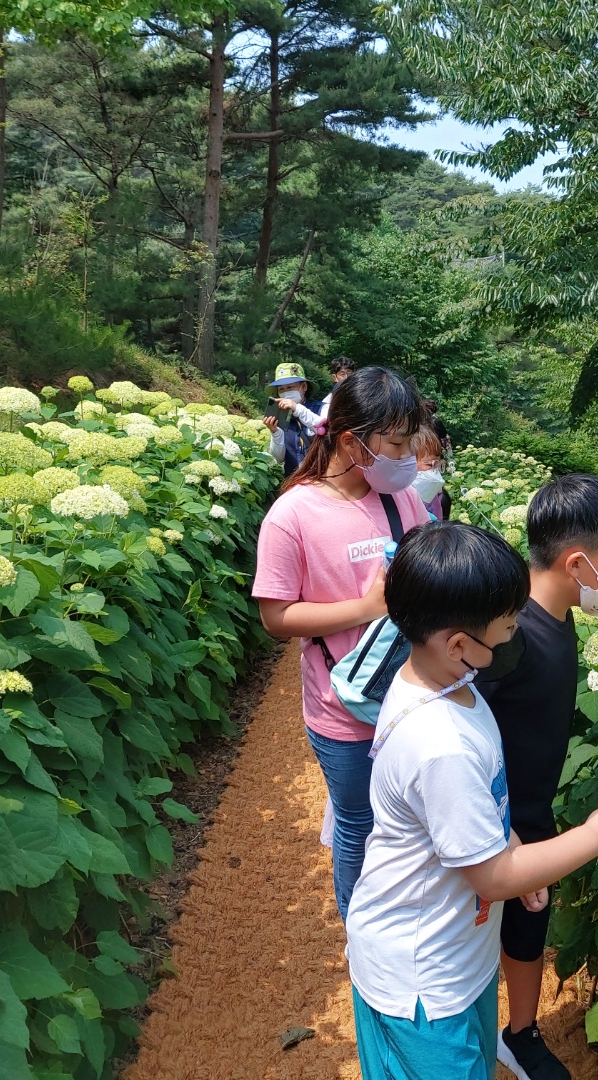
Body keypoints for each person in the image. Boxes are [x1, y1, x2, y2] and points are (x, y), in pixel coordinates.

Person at [346, 521, 598, 1080]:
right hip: (421, 985)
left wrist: (514, 846)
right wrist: (594, 838)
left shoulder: (449, 685)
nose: (513, 638)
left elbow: (480, 819)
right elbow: (494, 877)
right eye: (506, 628)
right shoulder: (441, 746)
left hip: (460, 959)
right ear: (459, 645)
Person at [476, 474, 598, 1080]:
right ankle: (466, 1031)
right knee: (477, 923)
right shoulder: (510, 636)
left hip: (533, 805)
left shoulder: (558, 611)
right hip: (493, 816)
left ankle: (519, 1032)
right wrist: (505, 833)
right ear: (578, 563)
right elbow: (469, 730)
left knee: (528, 925)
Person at [252, 366, 428, 919]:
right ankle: (362, 934)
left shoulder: (402, 502)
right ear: (351, 441)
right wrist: (367, 607)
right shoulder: (294, 514)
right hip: (342, 709)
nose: (406, 459)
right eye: (396, 444)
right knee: (358, 822)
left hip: (410, 698)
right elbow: (277, 617)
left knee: (410, 820)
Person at [262, 362, 323, 477]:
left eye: (290, 387)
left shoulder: (322, 408)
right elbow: (278, 458)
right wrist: (275, 433)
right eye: (281, 389)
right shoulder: (280, 417)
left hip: (322, 481)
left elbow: (327, 431)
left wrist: (297, 409)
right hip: (294, 483)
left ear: (304, 387)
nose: (286, 392)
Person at [410, 427, 450, 521]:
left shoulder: (436, 491)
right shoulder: (400, 496)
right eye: (429, 464)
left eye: (438, 464)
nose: (434, 471)